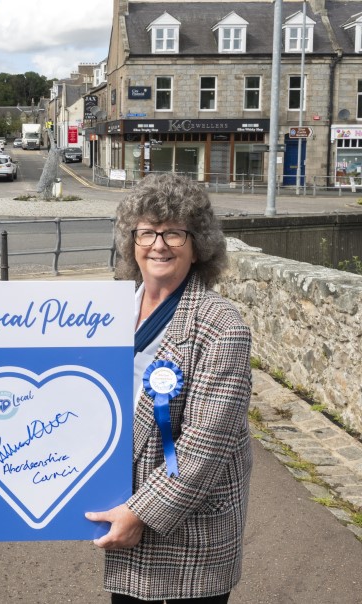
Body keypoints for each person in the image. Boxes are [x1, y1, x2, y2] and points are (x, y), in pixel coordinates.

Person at [86, 173, 253, 603]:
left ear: (199, 245)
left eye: (174, 232)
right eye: (146, 231)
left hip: (187, 542)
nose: (158, 244)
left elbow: (205, 447)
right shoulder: (110, 311)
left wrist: (139, 512)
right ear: (131, 241)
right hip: (124, 523)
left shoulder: (221, 325)